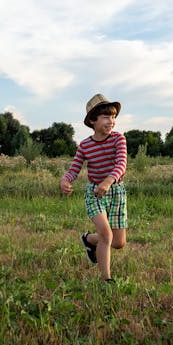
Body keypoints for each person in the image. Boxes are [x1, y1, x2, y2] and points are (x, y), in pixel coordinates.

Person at [60, 94, 128, 283]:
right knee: (106, 234)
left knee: (118, 243)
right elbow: (74, 168)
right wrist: (65, 180)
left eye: (113, 117)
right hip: (95, 194)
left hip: (116, 192)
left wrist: (108, 181)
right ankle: (106, 280)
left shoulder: (118, 139)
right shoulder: (85, 146)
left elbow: (121, 164)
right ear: (92, 120)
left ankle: (89, 239)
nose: (111, 121)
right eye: (106, 117)